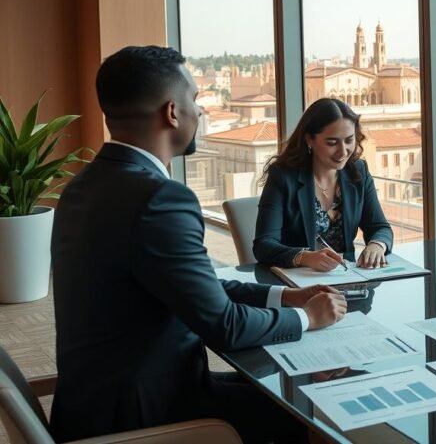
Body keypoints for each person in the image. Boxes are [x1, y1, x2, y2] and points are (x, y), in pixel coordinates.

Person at [50, 46, 348, 443]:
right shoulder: (159, 198)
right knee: (311, 416)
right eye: (194, 99)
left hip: (96, 401)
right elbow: (224, 326)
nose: (201, 110)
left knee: (285, 391)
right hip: (145, 414)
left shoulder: (83, 185)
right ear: (172, 113)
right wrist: (309, 319)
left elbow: (198, 286)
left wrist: (287, 298)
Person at [254, 98, 394, 270]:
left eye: (349, 140)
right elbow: (263, 245)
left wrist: (377, 244)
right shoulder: (283, 176)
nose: (343, 151)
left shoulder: (357, 171)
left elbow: (380, 227)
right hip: (299, 284)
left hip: (347, 278)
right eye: (332, 142)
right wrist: (304, 257)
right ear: (309, 140)